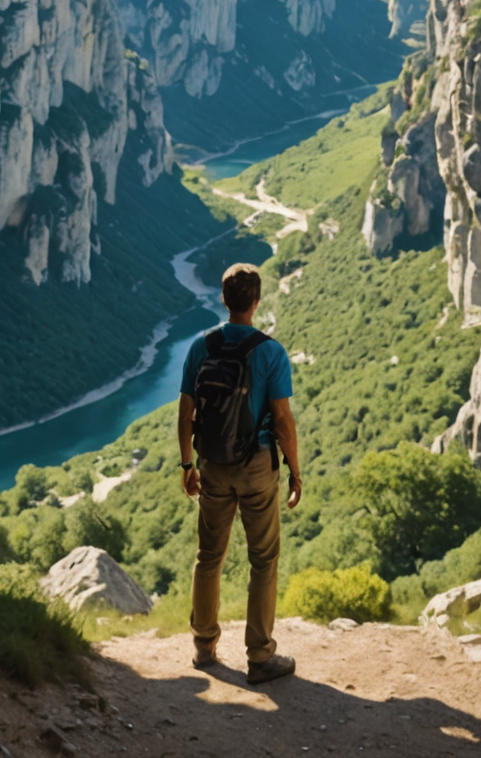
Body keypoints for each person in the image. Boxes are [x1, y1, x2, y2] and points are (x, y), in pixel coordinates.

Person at [177, 262, 302, 685]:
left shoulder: (201, 346)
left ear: (224, 300)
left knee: (208, 556)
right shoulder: (271, 352)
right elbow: (283, 420)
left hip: (211, 465)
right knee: (263, 560)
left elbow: (186, 410)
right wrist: (296, 472)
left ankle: (204, 645)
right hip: (256, 469)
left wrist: (187, 464)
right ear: (257, 301)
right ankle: (260, 656)